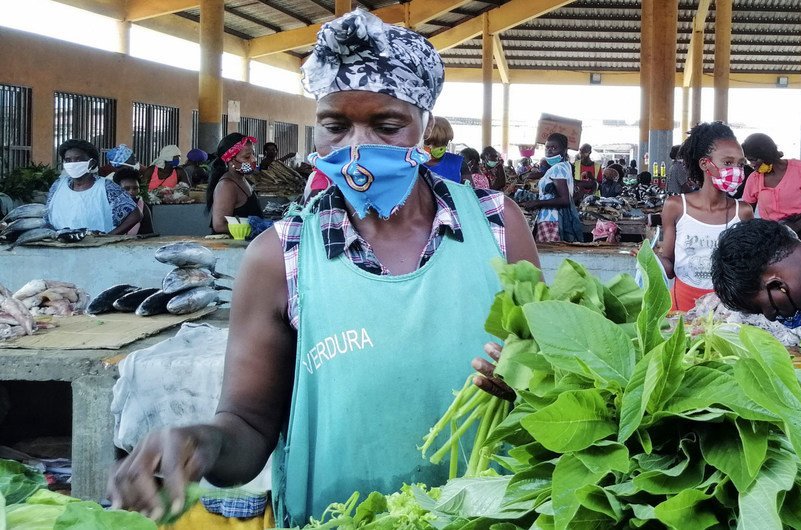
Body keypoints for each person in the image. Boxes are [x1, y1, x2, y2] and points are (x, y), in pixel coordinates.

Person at [109, 11, 539, 528]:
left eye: (386, 124)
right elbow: (248, 424)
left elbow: (547, 369)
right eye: (335, 125)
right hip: (334, 517)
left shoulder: (497, 225)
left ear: (425, 125)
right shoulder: (278, 256)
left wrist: (528, 380)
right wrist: (200, 444)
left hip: (492, 515)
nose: (355, 147)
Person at [658, 122, 755, 312]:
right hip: (681, 307)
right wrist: (651, 260)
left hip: (727, 311)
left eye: (740, 164)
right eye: (727, 163)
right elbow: (669, 269)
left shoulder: (743, 212)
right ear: (705, 164)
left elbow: (747, 270)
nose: (736, 170)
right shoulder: (676, 207)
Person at [45, 139, 141, 234]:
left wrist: (110, 237)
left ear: (92, 163)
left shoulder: (106, 187)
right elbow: (47, 215)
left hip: (97, 247)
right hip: (60, 245)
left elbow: (136, 215)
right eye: (68, 160)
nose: (73, 163)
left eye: (78, 159)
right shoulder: (57, 186)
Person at [740, 133, 801, 236]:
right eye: (749, 161)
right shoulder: (754, 179)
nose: (751, 165)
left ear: (766, 156)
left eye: (753, 160)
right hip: (771, 235)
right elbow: (746, 215)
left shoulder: (798, 168)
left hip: (800, 232)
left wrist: (796, 226)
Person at [520, 133, 583, 242]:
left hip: (551, 221)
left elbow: (564, 199)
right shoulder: (564, 166)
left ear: (564, 150)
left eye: (554, 148)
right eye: (547, 148)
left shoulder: (557, 168)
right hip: (552, 219)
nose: (549, 151)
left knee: (549, 256)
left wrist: (537, 203)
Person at [206, 133, 265, 234]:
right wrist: (251, 229)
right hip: (230, 247)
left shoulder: (242, 179)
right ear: (231, 160)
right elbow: (219, 225)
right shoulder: (227, 186)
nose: (253, 160)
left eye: (253, 154)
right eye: (247, 157)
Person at [112, 167, 154, 235]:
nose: (131, 192)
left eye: (135, 188)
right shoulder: (109, 206)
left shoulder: (143, 208)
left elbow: (149, 234)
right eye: (126, 189)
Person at [422, 116, 463, 182]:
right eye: (427, 143)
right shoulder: (411, 162)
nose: (432, 148)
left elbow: (469, 190)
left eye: (438, 144)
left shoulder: (460, 164)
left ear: (446, 143)